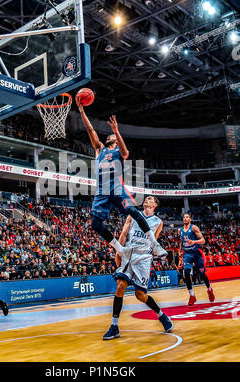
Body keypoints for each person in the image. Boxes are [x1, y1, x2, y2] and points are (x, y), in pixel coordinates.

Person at [76, 97, 167, 260]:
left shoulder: (119, 151)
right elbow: (90, 130)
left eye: (113, 135)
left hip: (117, 188)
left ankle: (155, 244)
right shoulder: (100, 149)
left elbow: (126, 154)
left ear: (117, 140)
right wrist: (81, 110)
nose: (109, 136)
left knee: (133, 211)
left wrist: (117, 131)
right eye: (111, 134)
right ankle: (120, 249)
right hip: (103, 191)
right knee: (95, 225)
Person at [103, 195, 173, 340]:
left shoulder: (158, 222)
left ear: (155, 205)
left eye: (150, 199)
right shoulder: (133, 215)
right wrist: (118, 252)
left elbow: (154, 241)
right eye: (146, 198)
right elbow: (123, 233)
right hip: (129, 253)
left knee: (140, 295)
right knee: (120, 285)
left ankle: (162, 316)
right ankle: (114, 326)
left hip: (144, 258)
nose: (147, 200)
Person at [178, 213, 215, 306]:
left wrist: (194, 241)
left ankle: (209, 289)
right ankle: (192, 295)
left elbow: (203, 240)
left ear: (190, 219)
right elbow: (181, 242)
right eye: (184, 217)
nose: (185, 219)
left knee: (202, 273)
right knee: (186, 272)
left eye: (187, 217)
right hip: (187, 254)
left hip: (196, 253)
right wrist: (179, 251)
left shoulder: (194, 228)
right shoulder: (180, 230)